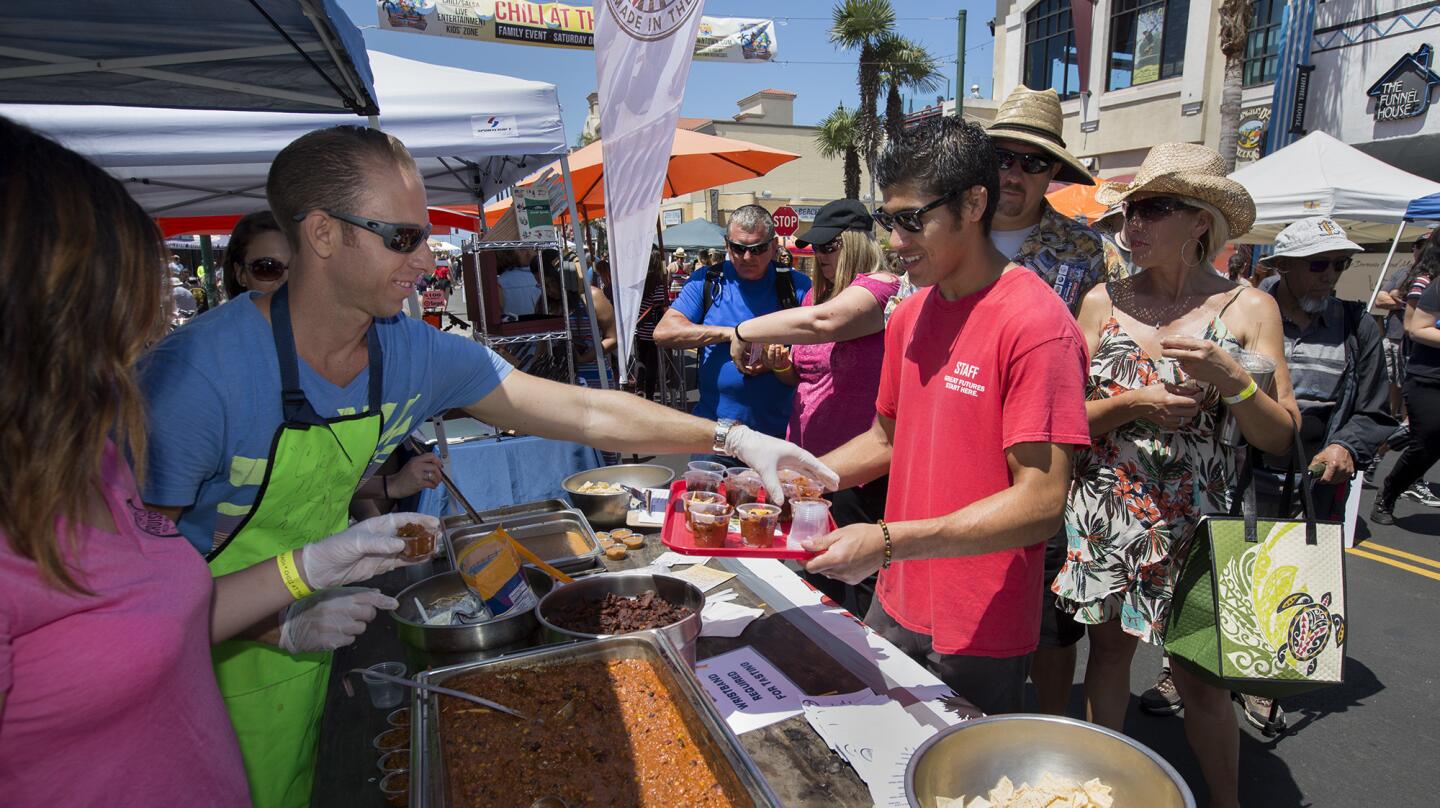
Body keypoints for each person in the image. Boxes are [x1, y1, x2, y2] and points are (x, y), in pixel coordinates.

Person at [138, 125, 835, 807]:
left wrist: (732, 436)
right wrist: (276, 624)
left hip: (320, 654)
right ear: (323, 234)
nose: (425, 258)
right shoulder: (196, 376)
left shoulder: (409, 350)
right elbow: (125, 599)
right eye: (402, 237)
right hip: (191, 682)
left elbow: (583, 413)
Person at [0, 117, 435, 806]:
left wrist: (309, 570)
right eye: (106, 332)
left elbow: (157, 610)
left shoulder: (86, 469)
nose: (131, 367)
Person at [801, 117, 1091, 717]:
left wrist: (886, 541)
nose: (896, 241)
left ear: (974, 204)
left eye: (913, 220)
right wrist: (791, 474)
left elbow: (1039, 503)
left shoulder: (1037, 325)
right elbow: (886, 439)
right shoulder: (909, 317)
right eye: (889, 220)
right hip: (897, 595)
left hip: (980, 621)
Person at [1053, 143, 1298, 808]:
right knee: (1107, 658)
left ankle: (1225, 803)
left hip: (1198, 527)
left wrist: (1237, 383)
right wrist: (1134, 403)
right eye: (1130, 209)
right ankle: (1103, 792)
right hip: (1107, 513)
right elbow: (1065, 415)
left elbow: (1281, 437)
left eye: (1154, 208)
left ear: (1199, 222)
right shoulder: (1103, 302)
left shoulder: (1250, 310)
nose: (1133, 223)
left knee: (1201, 681)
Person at [730, 199, 901, 614]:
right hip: (811, 462)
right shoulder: (815, 295)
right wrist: (781, 365)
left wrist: (742, 330)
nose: (822, 256)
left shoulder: (883, 287)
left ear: (858, 242)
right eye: (818, 248)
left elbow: (825, 324)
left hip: (859, 468)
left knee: (856, 584)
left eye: (831, 246)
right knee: (813, 575)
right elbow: (803, 377)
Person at [654, 205, 812, 443]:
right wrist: (733, 334)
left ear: (773, 246)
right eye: (738, 248)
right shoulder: (708, 280)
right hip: (715, 434)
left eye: (757, 249)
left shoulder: (797, 286)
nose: (747, 257)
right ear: (727, 245)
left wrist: (777, 363)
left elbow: (816, 356)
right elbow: (664, 333)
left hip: (778, 436)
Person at [1373, 238, 1440, 524]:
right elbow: (1417, 328)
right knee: (1427, 444)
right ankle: (1388, 494)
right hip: (1429, 378)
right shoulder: (1434, 285)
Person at [1368, 231, 1432, 479]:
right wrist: (1405, 302)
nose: (1421, 250)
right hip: (1419, 358)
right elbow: (1410, 324)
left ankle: (1386, 457)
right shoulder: (1420, 279)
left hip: (1421, 358)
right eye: (1419, 245)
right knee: (1416, 420)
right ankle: (1386, 457)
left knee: (1420, 423)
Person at [223, 210, 291, 301]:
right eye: (267, 268)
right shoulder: (221, 315)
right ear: (241, 274)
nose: (286, 281)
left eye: (298, 268)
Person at [496, 247, 541, 318]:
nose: (530, 253)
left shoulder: (499, 283)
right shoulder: (544, 277)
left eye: (532, 248)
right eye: (522, 249)